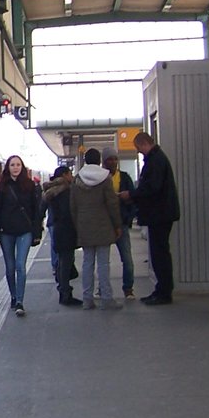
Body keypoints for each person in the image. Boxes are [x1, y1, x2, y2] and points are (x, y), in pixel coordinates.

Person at [122, 131, 180, 305]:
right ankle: (162, 289)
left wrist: (131, 194)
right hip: (162, 213)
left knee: (159, 253)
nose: (139, 152)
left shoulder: (155, 161)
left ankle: (163, 292)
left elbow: (152, 188)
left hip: (159, 214)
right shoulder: (158, 158)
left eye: (139, 148)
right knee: (160, 252)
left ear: (144, 144)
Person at [71, 147, 123, 310]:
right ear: (99, 160)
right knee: (103, 263)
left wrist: (77, 224)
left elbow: (73, 205)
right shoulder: (105, 178)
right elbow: (112, 204)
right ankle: (107, 298)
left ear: (85, 160)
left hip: (84, 224)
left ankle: (87, 299)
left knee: (87, 263)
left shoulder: (77, 179)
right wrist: (117, 225)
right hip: (103, 224)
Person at [0, 154, 42, 316]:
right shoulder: (2, 187)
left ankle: (20, 300)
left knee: (20, 265)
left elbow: (36, 211)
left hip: (24, 232)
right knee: (10, 267)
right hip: (6, 232)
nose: (15, 167)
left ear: (22, 167)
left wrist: (36, 232)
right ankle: (13, 296)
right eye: (12, 165)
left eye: (18, 165)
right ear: (8, 167)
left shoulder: (30, 186)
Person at [42, 165, 82, 306]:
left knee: (62, 262)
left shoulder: (52, 191)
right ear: (65, 175)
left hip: (58, 229)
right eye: (70, 174)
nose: (71, 176)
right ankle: (65, 294)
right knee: (66, 262)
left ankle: (63, 291)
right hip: (67, 230)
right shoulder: (66, 191)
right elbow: (68, 212)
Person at [102, 147, 137, 299]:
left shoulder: (124, 177)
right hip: (105, 224)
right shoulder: (101, 178)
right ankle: (102, 287)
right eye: (110, 159)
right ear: (104, 161)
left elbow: (133, 198)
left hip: (121, 222)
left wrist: (128, 217)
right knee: (103, 260)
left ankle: (128, 288)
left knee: (127, 259)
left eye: (115, 159)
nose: (113, 162)